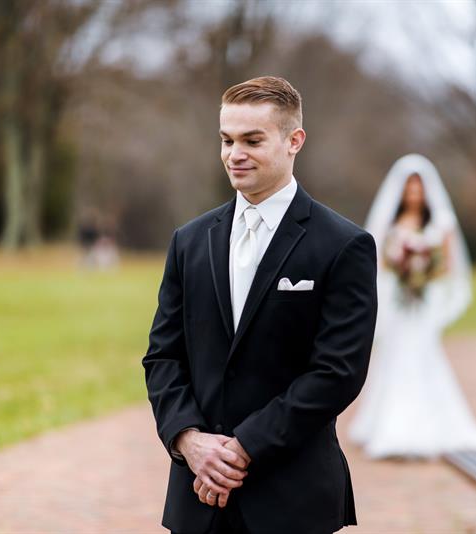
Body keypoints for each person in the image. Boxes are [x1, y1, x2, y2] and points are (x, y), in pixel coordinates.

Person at [142, 77, 378, 534]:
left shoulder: (344, 245)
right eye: (227, 140)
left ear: (295, 141)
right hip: (198, 496)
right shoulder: (189, 241)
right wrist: (189, 441)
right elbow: (162, 356)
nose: (235, 153)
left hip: (292, 498)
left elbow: (338, 372)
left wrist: (243, 447)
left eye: (252, 140)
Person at [349, 154, 476, 459]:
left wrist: (422, 273)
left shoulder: (440, 223)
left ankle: (427, 427)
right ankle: (387, 425)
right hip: (399, 302)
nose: (414, 194)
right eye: (409, 189)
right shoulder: (391, 223)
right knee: (395, 356)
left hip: (422, 304)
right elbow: (378, 259)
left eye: (418, 189)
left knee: (421, 355)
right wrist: (402, 268)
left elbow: (448, 266)